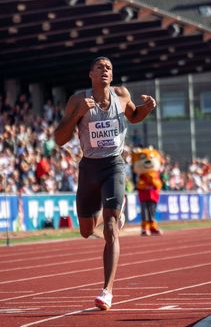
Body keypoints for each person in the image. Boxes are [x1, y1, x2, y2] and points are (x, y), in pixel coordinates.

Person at [54, 56, 156, 311]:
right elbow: (58, 138)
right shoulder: (78, 99)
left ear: (112, 74)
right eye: (99, 67)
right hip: (89, 168)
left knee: (110, 226)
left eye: (108, 68)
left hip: (114, 166)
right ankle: (108, 221)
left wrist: (147, 108)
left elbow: (134, 117)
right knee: (87, 231)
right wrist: (78, 114)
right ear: (90, 73)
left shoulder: (121, 94)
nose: (104, 71)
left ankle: (107, 291)